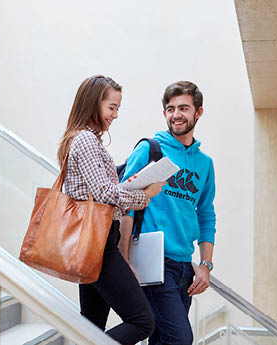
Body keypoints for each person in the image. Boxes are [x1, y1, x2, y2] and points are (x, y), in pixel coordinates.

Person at [57, 75, 166, 345]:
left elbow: (102, 189)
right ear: (94, 104)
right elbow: (105, 192)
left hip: (94, 241)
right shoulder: (85, 140)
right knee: (142, 322)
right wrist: (144, 194)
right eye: (112, 107)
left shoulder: (85, 139)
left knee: (91, 328)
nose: (115, 115)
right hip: (98, 242)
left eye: (118, 108)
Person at [119, 81, 216, 345]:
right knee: (180, 339)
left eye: (183, 108)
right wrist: (124, 256)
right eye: (170, 109)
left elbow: (206, 214)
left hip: (185, 265)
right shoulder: (150, 149)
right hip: (153, 259)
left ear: (199, 112)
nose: (176, 115)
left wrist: (205, 264)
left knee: (162, 339)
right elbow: (124, 200)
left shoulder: (204, 164)